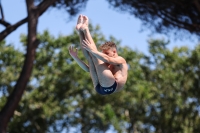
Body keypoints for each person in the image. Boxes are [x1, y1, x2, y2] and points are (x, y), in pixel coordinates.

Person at [69, 14, 128, 95]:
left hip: (111, 87)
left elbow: (108, 59)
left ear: (114, 51)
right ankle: (80, 32)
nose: (104, 55)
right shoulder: (105, 61)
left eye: (107, 53)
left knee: (94, 54)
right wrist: (76, 58)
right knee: (91, 57)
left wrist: (93, 51)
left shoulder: (121, 60)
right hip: (99, 88)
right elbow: (88, 69)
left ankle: (86, 29)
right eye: (104, 53)